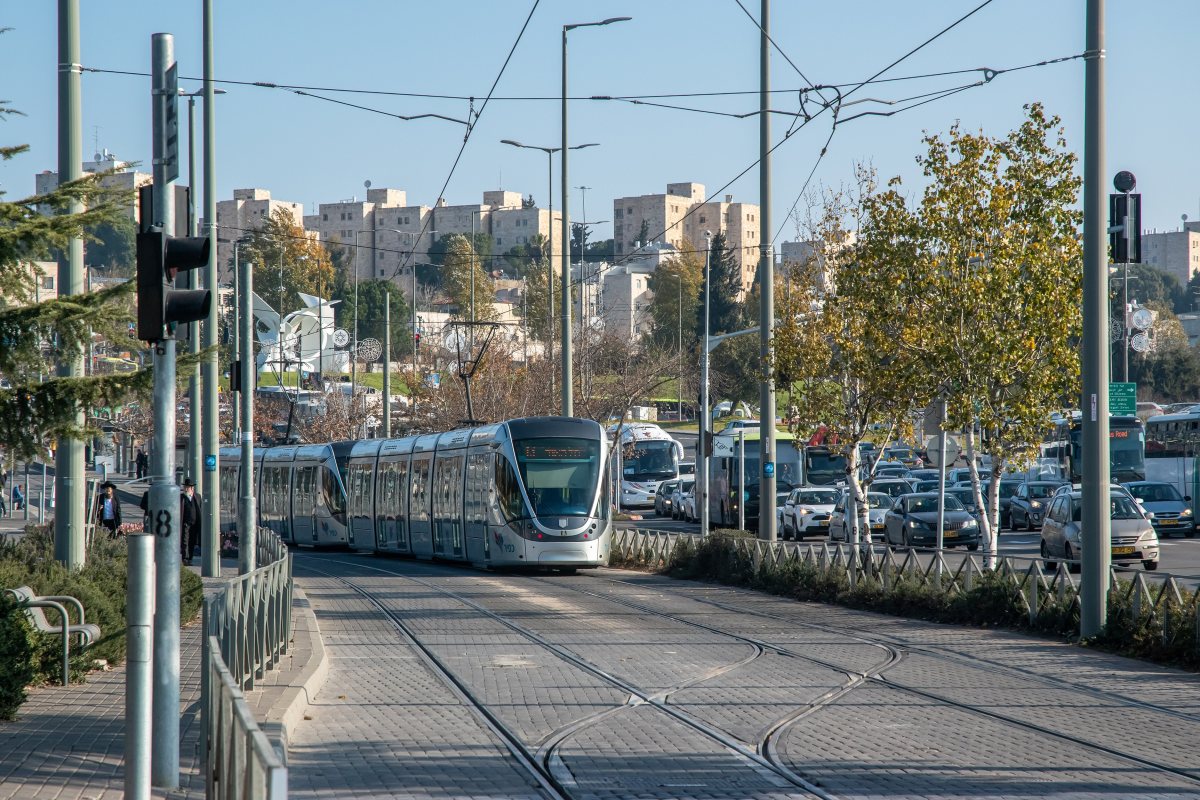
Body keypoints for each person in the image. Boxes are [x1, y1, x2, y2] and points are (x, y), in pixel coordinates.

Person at [180, 477, 202, 566]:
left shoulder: (197, 496)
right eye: (185, 487)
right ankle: (185, 559)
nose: (186, 489)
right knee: (185, 541)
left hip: (195, 523)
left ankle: (190, 558)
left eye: (187, 487)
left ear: (192, 488)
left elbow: (200, 508)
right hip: (185, 522)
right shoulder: (181, 497)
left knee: (192, 541)